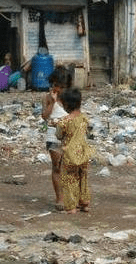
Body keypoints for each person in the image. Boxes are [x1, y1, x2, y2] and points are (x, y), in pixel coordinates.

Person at [56, 88, 94, 214]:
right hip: (83, 152)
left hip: (70, 154)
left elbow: (59, 135)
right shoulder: (84, 118)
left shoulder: (64, 121)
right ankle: (85, 204)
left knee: (69, 179)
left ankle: (71, 207)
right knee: (83, 177)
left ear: (67, 105)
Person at [41, 66, 73, 211]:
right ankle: (59, 199)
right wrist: (53, 102)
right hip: (53, 135)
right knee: (57, 167)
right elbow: (44, 116)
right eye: (55, 85)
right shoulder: (47, 97)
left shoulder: (70, 98)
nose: (58, 89)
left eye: (61, 86)